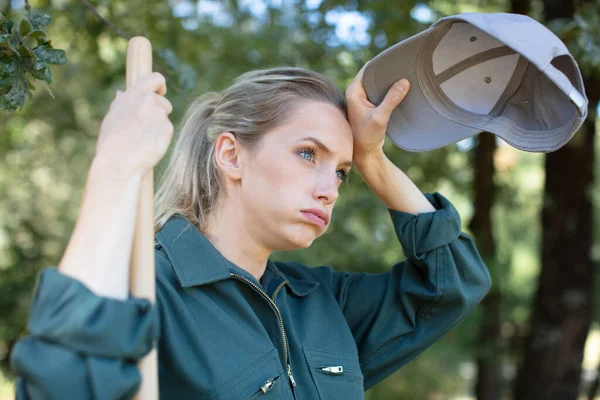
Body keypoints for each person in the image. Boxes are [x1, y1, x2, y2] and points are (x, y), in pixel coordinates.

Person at [10, 64, 492, 399]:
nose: (331, 189)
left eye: (342, 172)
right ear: (231, 154)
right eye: (308, 153)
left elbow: (452, 283)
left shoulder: (321, 302)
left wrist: (373, 160)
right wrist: (116, 165)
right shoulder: (147, 288)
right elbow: (58, 385)